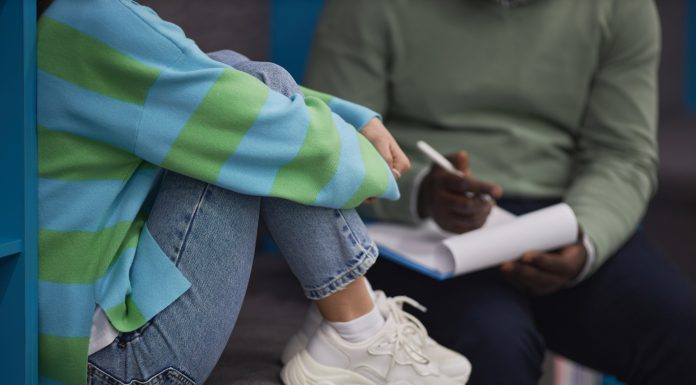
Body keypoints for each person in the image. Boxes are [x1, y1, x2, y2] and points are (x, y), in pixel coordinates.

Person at [36, 1, 471, 385]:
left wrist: (350, 118)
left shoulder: (48, 22)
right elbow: (244, 109)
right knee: (251, 121)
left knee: (250, 89)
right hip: (118, 366)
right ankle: (357, 331)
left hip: (80, 343)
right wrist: (367, 167)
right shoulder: (92, 19)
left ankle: (353, 329)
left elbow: (203, 73)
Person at [303, 0, 696, 384]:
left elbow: (622, 153)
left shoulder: (620, 9)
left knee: (682, 330)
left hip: (565, 214)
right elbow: (330, 147)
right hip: (413, 227)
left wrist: (585, 238)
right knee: (492, 345)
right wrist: (418, 191)